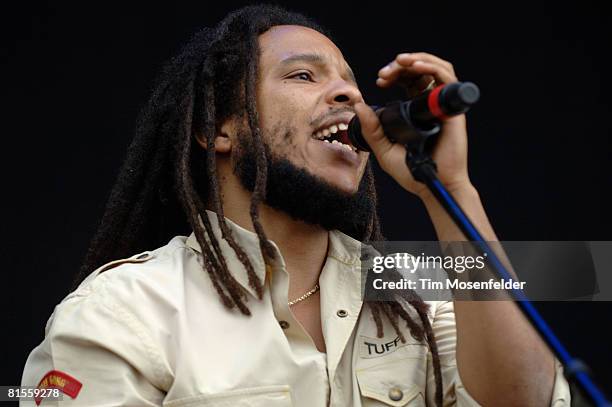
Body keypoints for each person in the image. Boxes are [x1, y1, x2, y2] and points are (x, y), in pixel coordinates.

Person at [21, 5, 570, 406]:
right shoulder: (124, 313)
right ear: (217, 129)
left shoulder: (420, 294)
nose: (349, 97)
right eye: (303, 75)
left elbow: (524, 399)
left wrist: (450, 188)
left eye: (351, 85)